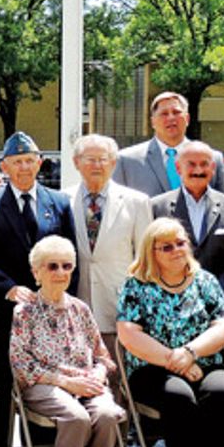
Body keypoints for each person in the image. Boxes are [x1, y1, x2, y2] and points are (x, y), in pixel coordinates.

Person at [0, 131, 78, 447]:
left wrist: (60, 299)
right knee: (2, 384)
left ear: (39, 163)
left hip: (51, 313)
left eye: (29, 161)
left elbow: (70, 257)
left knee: (47, 383)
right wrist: (9, 288)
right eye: (16, 162)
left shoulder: (59, 203)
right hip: (7, 313)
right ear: (4, 167)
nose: (23, 168)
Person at [117, 217, 224, 447]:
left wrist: (191, 354)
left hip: (203, 361)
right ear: (151, 252)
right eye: (166, 247)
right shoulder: (136, 285)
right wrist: (175, 360)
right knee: (178, 396)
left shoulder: (205, 281)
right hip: (151, 368)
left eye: (180, 243)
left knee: (221, 394)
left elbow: (222, 328)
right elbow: (129, 335)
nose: (176, 250)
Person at [10, 236, 125, 447]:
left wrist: (98, 373)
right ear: (36, 272)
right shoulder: (24, 312)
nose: (61, 273)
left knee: (108, 413)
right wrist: (65, 382)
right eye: (52, 266)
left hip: (86, 381)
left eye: (67, 266)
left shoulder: (81, 309)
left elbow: (103, 356)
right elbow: (21, 364)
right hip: (45, 384)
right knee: (76, 416)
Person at [64, 134, 151, 375]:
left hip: (118, 307)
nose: (97, 165)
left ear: (114, 163)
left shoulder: (137, 202)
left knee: (117, 378)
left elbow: (145, 260)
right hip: (74, 304)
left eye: (103, 159)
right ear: (76, 162)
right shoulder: (61, 200)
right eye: (89, 159)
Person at [151, 140, 224, 298]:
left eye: (204, 164)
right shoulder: (156, 207)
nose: (198, 170)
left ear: (213, 168)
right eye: (191, 164)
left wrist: (213, 290)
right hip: (170, 300)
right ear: (178, 168)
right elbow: (150, 256)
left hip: (220, 301)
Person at [115, 91, 224, 197]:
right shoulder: (127, 161)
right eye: (164, 114)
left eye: (176, 112)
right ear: (153, 122)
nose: (171, 118)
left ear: (187, 119)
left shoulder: (213, 158)